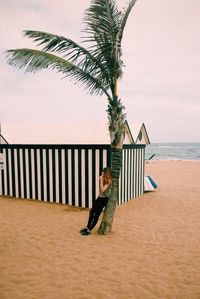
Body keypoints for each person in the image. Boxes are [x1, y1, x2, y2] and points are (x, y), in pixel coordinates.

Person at [80, 167, 112, 236]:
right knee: (91, 212)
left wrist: (101, 181)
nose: (101, 173)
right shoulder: (101, 177)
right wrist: (101, 179)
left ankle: (89, 230)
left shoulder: (109, 181)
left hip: (104, 199)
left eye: (103, 172)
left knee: (96, 215)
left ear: (106, 173)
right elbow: (101, 190)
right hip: (99, 198)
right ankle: (87, 227)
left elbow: (102, 190)